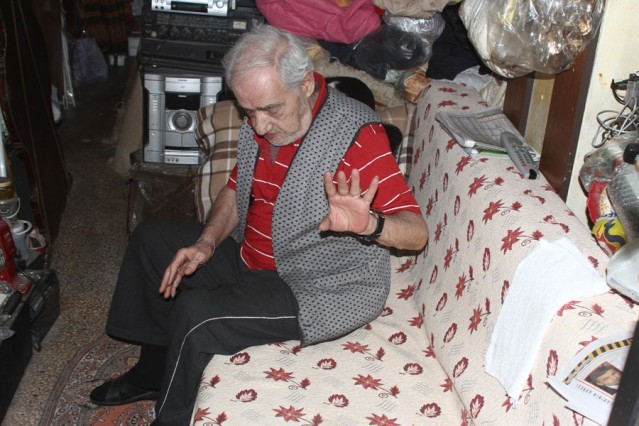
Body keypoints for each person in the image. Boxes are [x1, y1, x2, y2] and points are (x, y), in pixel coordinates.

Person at [89, 24, 428, 425]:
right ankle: (151, 372)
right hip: (253, 256)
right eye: (250, 112)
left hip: (317, 284)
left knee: (197, 312)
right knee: (151, 239)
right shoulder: (261, 120)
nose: (260, 125)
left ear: (305, 84)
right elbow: (236, 188)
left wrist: (369, 223)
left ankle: (171, 419)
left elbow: (416, 233)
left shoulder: (358, 135)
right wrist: (207, 243)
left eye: (270, 109)